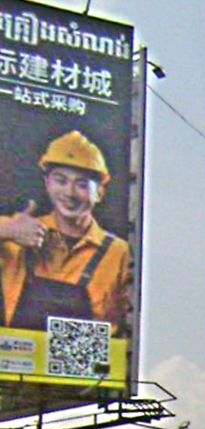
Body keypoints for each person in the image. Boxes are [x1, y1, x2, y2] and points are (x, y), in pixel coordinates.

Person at [0, 130, 132, 336]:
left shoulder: (119, 253)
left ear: (100, 192)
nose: (69, 193)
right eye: (61, 181)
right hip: (19, 352)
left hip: (85, 355)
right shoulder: (18, 234)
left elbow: (131, 324)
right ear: (47, 184)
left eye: (82, 184)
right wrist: (8, 229)